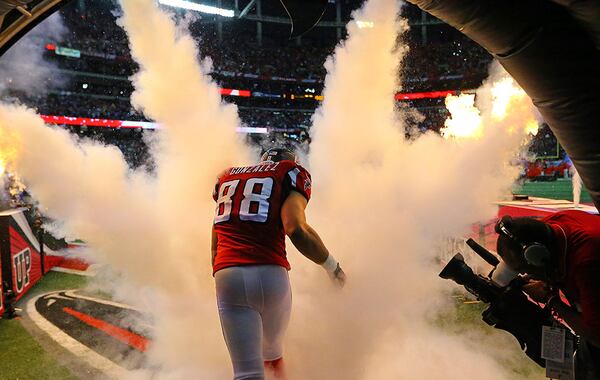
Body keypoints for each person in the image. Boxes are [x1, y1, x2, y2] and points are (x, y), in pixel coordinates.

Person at [211, 147, 346, 380]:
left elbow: (215, 245)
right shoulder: (289, 171)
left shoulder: (227, 176)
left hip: (228, 273)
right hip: (271, 273)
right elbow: (295, 228)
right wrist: (332, 267)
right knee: (272, 356)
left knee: (247, 374)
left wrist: (227, 280)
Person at [495, 210, 600, 380]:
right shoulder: (546, 230)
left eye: (525, 270)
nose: (527, 276)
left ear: (540, 256)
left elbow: (596, 336)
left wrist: (551, 300)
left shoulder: (587, 264)